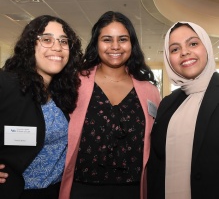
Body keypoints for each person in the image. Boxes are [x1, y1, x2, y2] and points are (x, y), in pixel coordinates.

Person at [58, 11, 161, 199]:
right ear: (96, 43)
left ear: (132, 44)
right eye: (107, 39)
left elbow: (158, 145)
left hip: (133, 190)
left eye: (122, 39)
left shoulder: (150, 92)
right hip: (82, 189)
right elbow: (49, 129)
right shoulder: (75, 83)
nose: (115, 46)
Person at [0, 14, 82, 199]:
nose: (57, 47)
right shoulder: (7, 83)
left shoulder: (63, 92)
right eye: (46, 39)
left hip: (55, 191)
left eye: (63, 41)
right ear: (31, 45)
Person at [147, 21, 219, 199]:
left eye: (193, 43)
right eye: (175, 49)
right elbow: (157, 162)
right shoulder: (168, 103)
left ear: (206, 48)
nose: (185, 52)